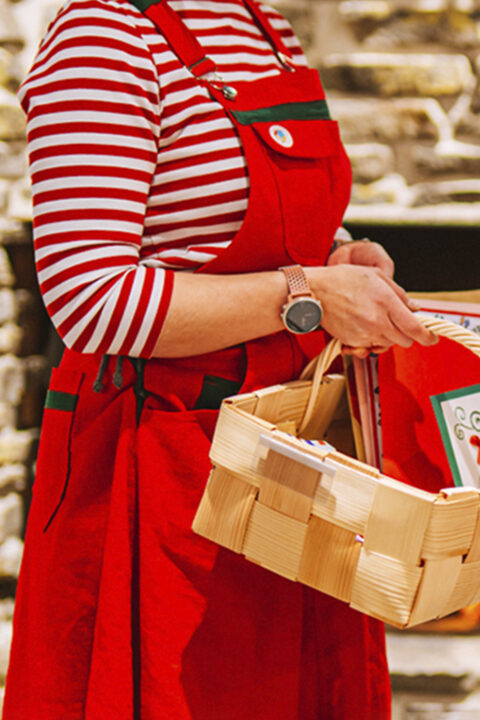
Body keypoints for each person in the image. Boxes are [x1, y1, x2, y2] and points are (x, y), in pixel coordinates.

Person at [5, 0, 436, 717]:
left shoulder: (263, 21)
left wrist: (332, 255)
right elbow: (89, 298)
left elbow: (213, 220)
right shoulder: (103, 35)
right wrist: (309, 293)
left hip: (291, 456)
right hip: (167, 475)